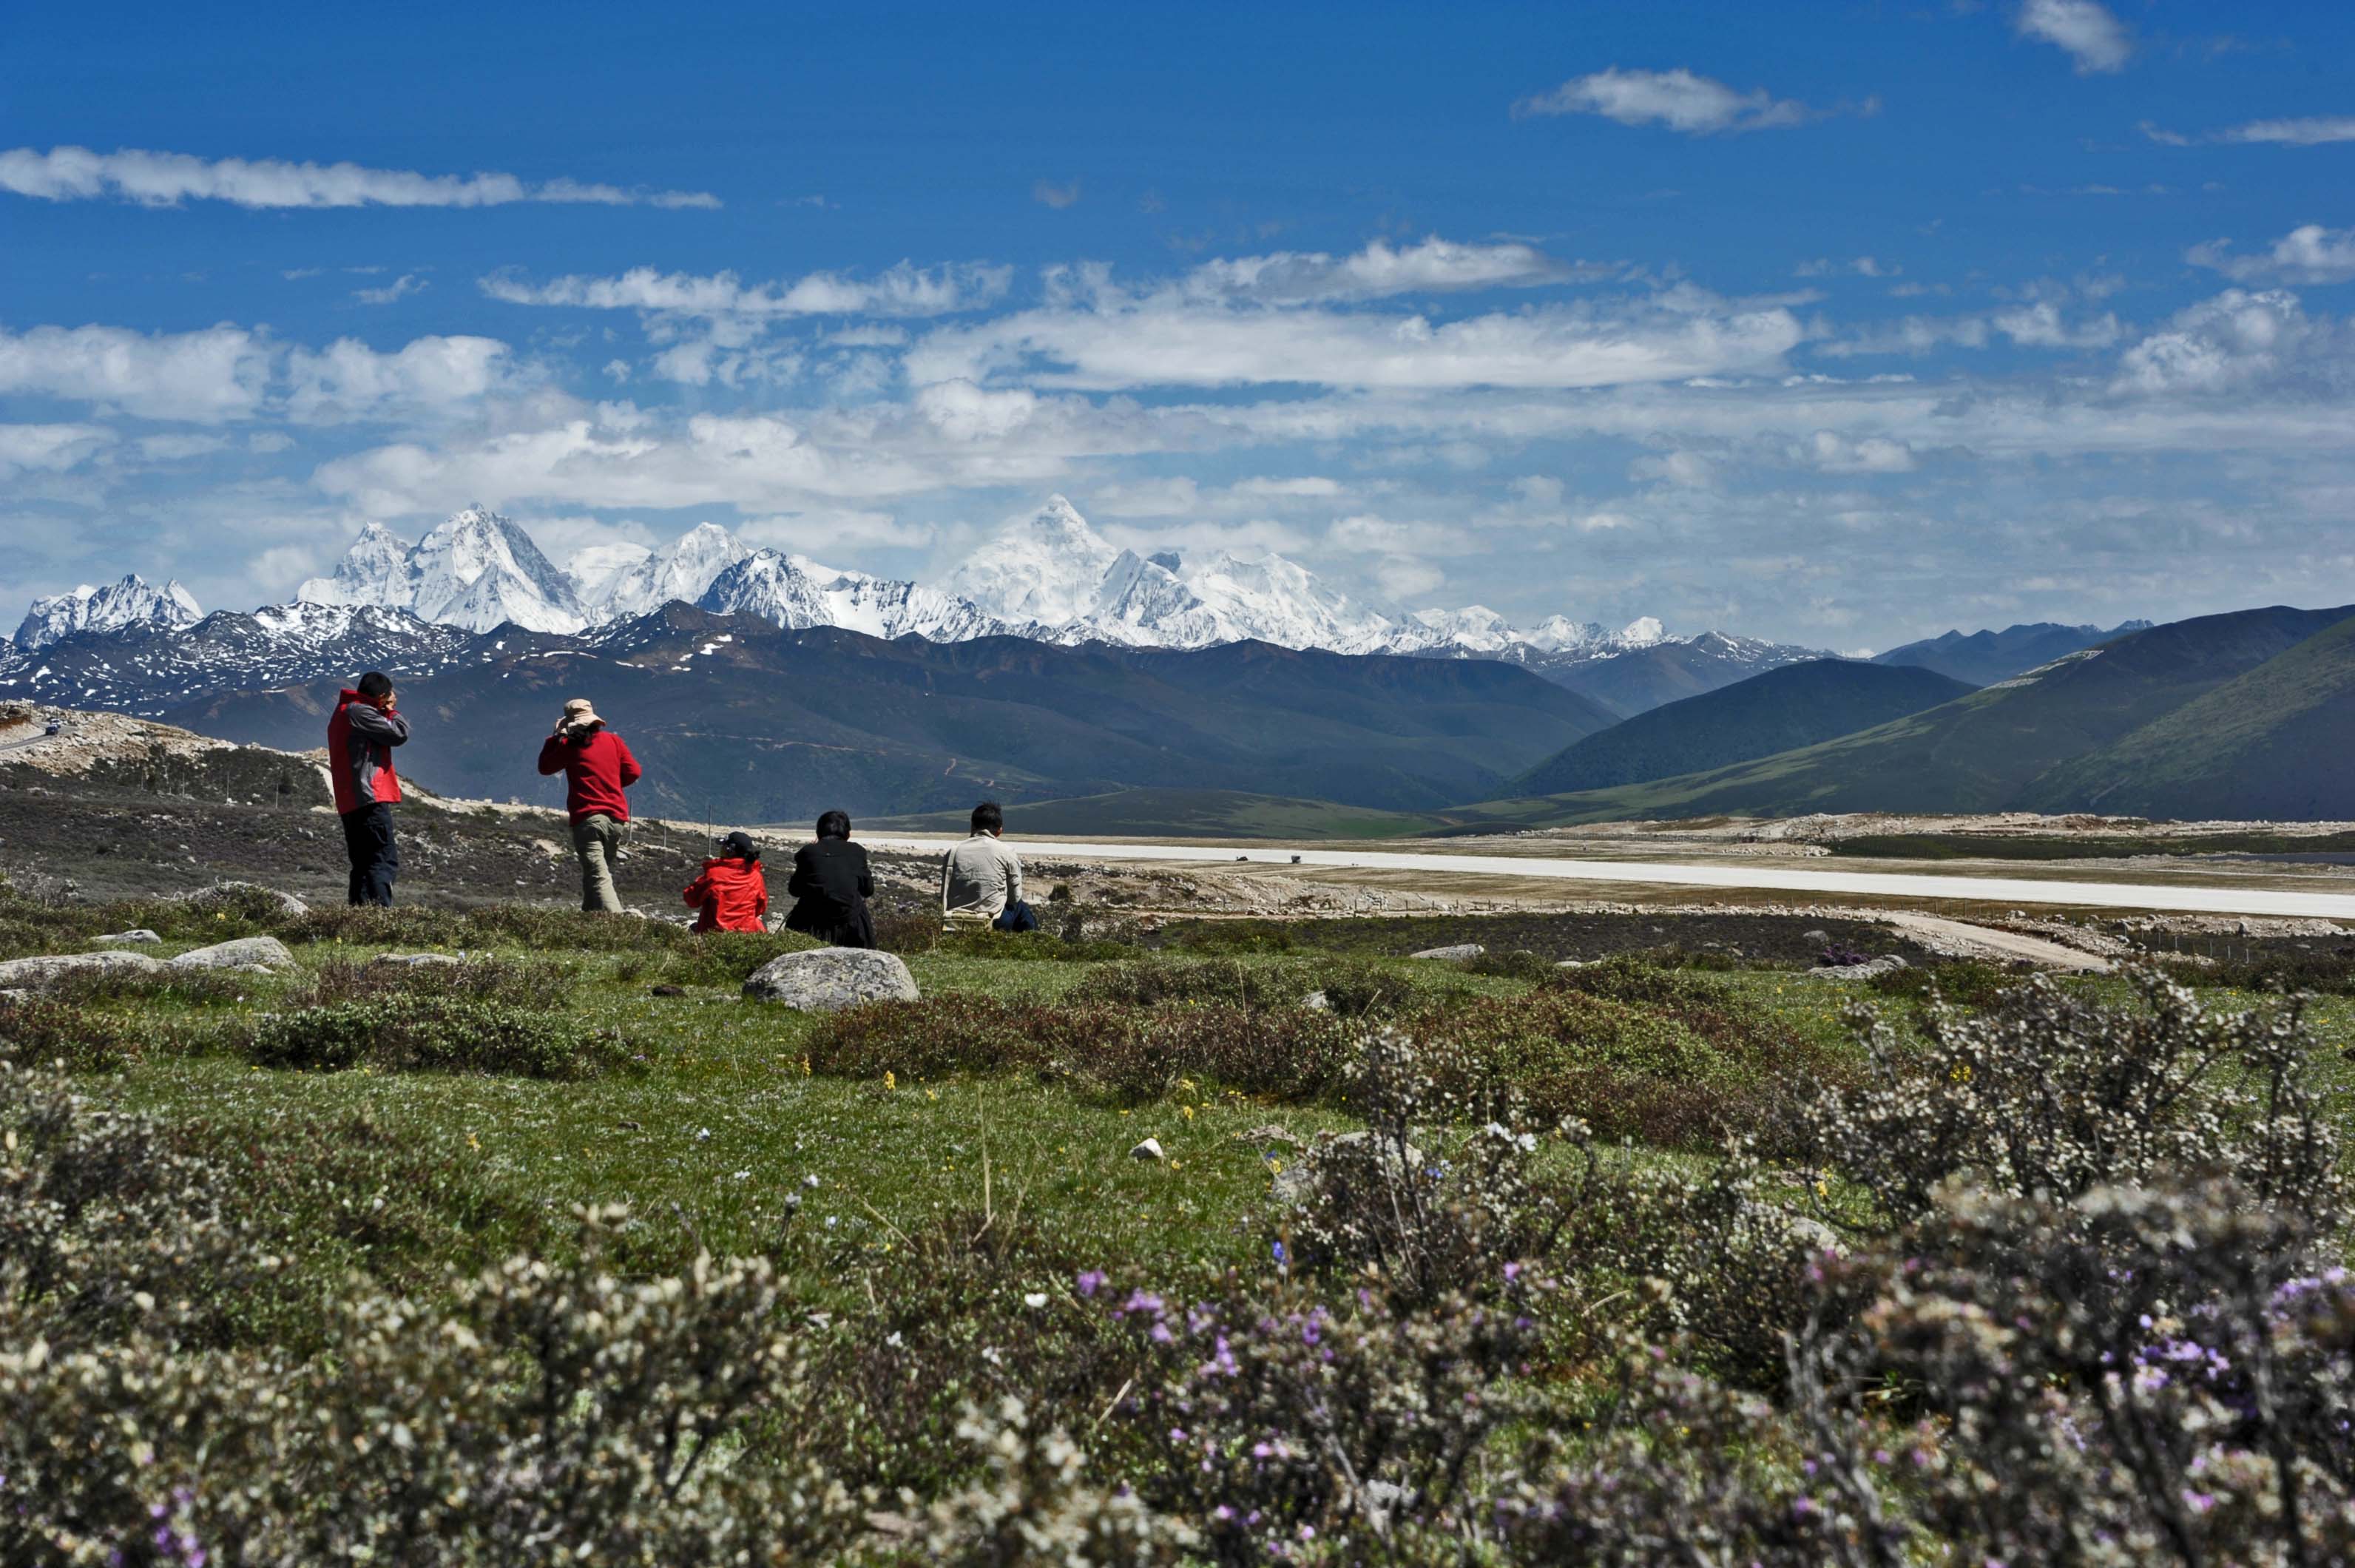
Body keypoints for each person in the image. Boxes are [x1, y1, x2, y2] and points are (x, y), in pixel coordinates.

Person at [535, 697, 641, 913]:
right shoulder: (614, 741)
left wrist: (555, 737)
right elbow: (634, 772)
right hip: (617, 819)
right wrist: (610, 782)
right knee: (597, 873)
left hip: (588, 818)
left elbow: (545, 767)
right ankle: (590, 918)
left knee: (597, 874)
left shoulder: (568, 746)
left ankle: (619, 922)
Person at [327, 671, 409, 907]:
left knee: (363, 864)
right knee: (382, 860)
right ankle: (380, 917)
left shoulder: (343, 711)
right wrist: (391, 710)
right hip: (369, 797)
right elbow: (398, 734)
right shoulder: (360, 711)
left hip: (351, 800)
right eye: (389, 696)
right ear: (382, 696)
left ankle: (359, 917)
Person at [941, 800, 1036, 932]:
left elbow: (945, 892)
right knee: (1021, 907)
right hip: (993, 920)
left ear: (972, 826)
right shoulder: (1007, 852)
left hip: (955, 920)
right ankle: (1031, 944)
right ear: (999, 830)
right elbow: (1014, 897)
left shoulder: (953, 852)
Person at [785, 811, 876, 947]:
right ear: (848, 834)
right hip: (851, 924)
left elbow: (795, 890)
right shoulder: (857, 851)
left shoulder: (808, 852)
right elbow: (868, 890)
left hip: (812, 924)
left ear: (818, 833)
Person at [683, 831, 770, 933]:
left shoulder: (714, 874)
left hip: (715, 935)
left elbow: (691, 899)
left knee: (693, 928)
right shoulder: (756, 876)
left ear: (730, 851)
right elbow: (760, 908)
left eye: (723, 847)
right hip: (746, 935)